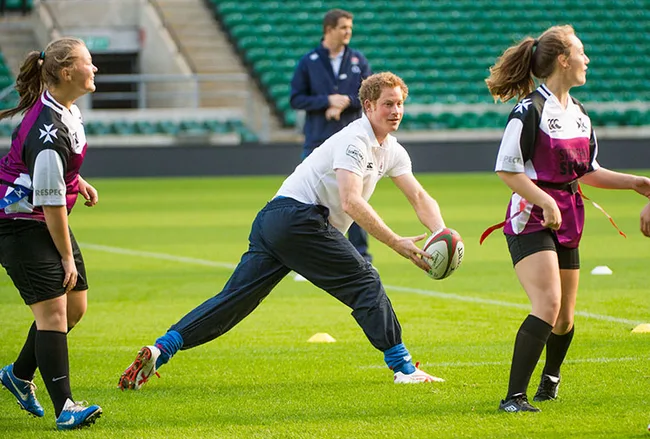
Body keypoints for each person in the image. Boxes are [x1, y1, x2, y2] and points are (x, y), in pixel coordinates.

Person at [119, 72, 448, 391]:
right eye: (388, 104)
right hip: (300, 219)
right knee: (365, 280)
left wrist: (442, 233)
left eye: (400, 104)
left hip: (274, 220)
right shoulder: (354, 140)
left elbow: (418, 196)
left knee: (233, 302)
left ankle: (161, 349)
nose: (396, 111)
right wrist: (395, 242)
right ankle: (404, 368)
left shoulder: (391, 149)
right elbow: (351, 201)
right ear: (367, 106)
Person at [484, 25, 650, 413]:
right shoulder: (529, 110)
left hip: (569, 216)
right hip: (531, 217)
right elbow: (507, 170)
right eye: (581, 52)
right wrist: (544, 200)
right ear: (563, 59)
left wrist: (636, 183)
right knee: (547, 302)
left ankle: (550, 381)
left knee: (563, 318)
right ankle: (513, 398)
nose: (586, 59)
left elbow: (586, 170)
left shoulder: (579, 113)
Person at [0, 37, 103, 430]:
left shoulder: (64, 111)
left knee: (74, 307)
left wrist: (78, 180)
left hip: (40, 216)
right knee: (54, 313)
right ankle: (66, 408)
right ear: (66, 72)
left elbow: (53, 172)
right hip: (19, 223)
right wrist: (64, 255)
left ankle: (18, 374)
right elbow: (50, 201)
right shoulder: (48, 129)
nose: (94, 69)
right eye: (88, 63)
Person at [290, 9, 374, 264]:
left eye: (350, 27)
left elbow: (369, 95)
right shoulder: (309, 61)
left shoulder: (358, 59)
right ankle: (309, 258)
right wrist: (325, 101)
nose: (348, 32)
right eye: (343, 27)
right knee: (310, 201)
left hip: (351, 142)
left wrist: (346, 101)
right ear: (328, 30)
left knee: (353, 198)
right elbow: (296, 98)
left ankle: (361, 257)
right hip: (317, 140)